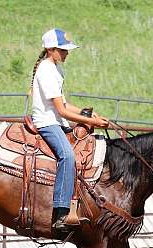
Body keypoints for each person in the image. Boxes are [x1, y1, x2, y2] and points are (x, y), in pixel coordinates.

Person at [30, 28, 109, 232]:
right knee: (67, 155)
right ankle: (61, 211)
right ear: (51, 49)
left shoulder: (57, 68)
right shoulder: (46, 70)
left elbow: (65, 104)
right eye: (63, 50)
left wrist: (89, 115)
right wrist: (88, 119)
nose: (67, 53)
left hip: (56, 120)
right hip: (47, 122)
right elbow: (61, 111)